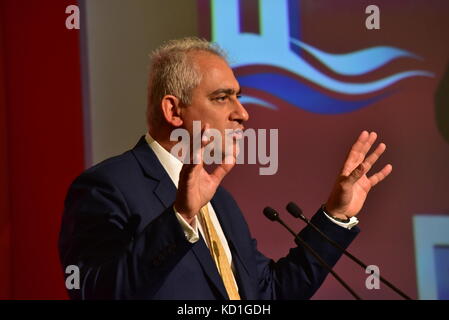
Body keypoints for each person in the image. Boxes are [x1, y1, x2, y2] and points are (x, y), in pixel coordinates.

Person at [58, 37, 392, 300]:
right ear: (174, 111)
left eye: (239, 96)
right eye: (222, 97)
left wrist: (335, 216)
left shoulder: (221, 203)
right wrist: (180, 219)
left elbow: (270, 293)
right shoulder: (107, 187)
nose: (242, 113)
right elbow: (97, 292)